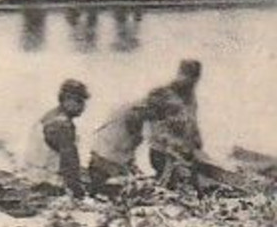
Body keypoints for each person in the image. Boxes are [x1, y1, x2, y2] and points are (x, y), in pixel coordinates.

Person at [21, 79, 90, 199]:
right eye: (79, 101)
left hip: (32, 178)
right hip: (47, 185)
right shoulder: (62, 124)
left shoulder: (50, 116)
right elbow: (69, 163)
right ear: (66, 99)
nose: (83, 106)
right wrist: (79, 193)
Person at [144, 59, 205, 189]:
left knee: (197, 187)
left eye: (194, 80)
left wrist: (197, 141)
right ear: (180, 74)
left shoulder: (190, 97)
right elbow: (152, 125)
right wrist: (171, 144)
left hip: (185, 153)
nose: (192, 84)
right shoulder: (160, 94)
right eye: (188, 78)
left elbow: (192, 123)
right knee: (175, 185)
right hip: (163, 153)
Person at [87, 99, 154, 196]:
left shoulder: (130, 123)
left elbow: (129, 153)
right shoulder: (129, 119)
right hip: (105, 166)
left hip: (108, 164)